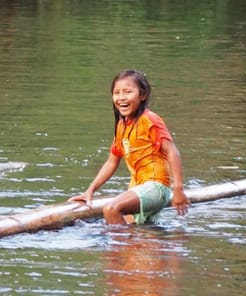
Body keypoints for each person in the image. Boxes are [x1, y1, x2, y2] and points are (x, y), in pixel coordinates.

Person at [70, 69, 188, 225]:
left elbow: (172, 151)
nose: (121, 98)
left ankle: (121, 249)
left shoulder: (149, 120)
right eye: (116, 93)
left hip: (155, 187)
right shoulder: (122, 126)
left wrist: (178, 189)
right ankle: (133, 246)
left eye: (127, 92)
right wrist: (89, 191)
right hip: (139, 188)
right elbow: (111, 162)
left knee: (111, 209)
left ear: (142, 95)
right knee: (129, 229)